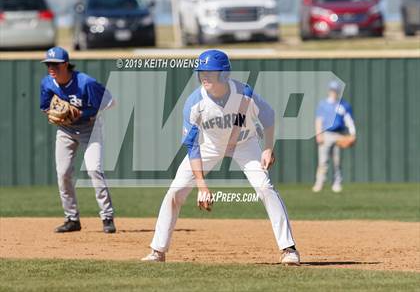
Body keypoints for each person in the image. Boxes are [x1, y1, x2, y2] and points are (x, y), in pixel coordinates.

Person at [142, 50, 299, 265]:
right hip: (210, 146)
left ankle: (288, 249)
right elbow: (192, 145)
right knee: (175, 192)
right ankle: (157, 251)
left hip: (245, 143)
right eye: (201, 72)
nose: (204, 76)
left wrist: (268, 148)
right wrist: (202, 186)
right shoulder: (194, 103)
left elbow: (269, 116)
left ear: (224, 74)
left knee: (265, 187)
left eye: (209, 72)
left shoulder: (244, 93)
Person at [39, 46, 116, 233]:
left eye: (55, 65)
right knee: (63, 173)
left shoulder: (85, 83)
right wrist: (53, 113)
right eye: (48, 64)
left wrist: (84, 113)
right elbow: (45, 107)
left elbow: (110, 102)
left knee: (94, 170)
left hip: (90, 129)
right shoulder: (47, 83)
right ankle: (72, 219)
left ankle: (107, 216)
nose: (51, 68)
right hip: (65, 130)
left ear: (66, 65)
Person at [312, 80, 356, 193]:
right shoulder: (323, 104)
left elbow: (349, 120)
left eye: (336, 91)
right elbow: (319, 120)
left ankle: (337, 183)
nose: (334, 93)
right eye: (332, 90)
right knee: (323, 161)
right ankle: (319, 183)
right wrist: (319, 134)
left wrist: (352, 134)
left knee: (337, 161)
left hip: (339, 134)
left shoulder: (343, 105)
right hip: (326, 134)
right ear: (329, 91)